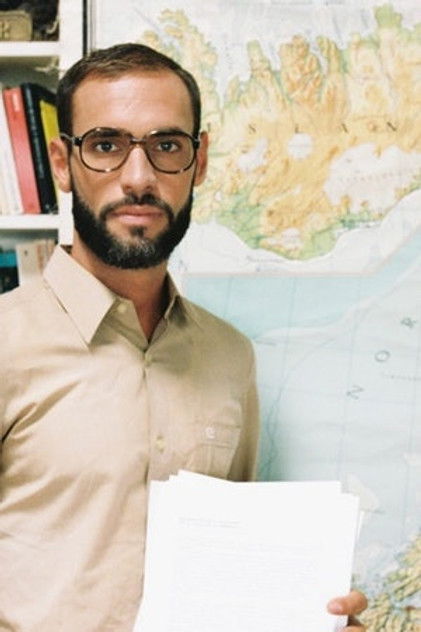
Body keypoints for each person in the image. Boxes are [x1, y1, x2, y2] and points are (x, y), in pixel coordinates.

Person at [0, 43, 367, 631]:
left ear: (199, 163)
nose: (139, 178)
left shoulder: (229, 357)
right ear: (63, 164)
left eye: (167, 146)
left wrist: (306, 617)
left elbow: (234, 583)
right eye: (106, 145)